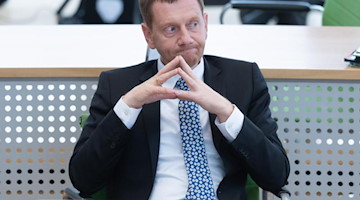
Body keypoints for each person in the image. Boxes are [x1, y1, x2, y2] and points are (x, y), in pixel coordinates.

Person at [69, 0, 290, 199]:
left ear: (205, 23)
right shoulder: (118, 85)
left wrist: (226, 111)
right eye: (171, 29)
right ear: (149, 36)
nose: (186, 39)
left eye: (193, 24)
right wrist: (129, 105)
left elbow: (276, 176)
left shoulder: (243, 79)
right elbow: (84, 180)